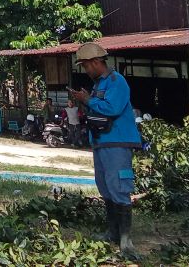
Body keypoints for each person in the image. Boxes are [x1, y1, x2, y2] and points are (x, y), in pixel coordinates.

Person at [71, 42, 142, 258]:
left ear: (96, 62)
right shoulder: (99, 85)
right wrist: (85, 100)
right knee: (105, 186)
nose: (85, 70)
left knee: (119, 186)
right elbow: (96, 110)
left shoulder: (115, 82)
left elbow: (112, 108)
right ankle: (113, 232)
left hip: (117, 143)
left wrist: (88, 100)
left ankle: (125, 239)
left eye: (85, 66)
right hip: (101, 143)